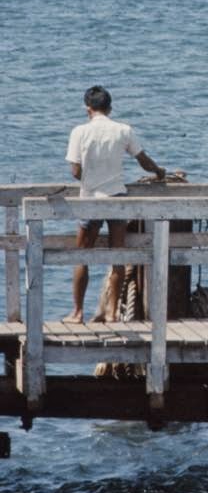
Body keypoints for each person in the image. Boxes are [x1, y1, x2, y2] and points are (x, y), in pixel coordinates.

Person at [64, 85, 166, 323]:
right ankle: (111, 313)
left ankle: (77, 312)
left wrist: (90, 179)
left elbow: (75, 171)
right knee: (117, 256)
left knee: (82, 256)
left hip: (90, 199)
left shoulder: (79, 132)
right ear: (109, 108)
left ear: (88, 109)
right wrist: (159, 172)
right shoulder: (123, 130)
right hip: (117, 198)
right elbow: (143, 160)